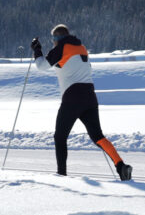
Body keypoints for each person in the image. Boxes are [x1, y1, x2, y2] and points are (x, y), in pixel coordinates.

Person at [30, 24, 132, 181]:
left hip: (72, 97)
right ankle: (121, 166)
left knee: (60, 137)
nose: (53, 43)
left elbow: (42, 66)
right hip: (90, 96)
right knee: (98, 136)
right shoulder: (82, 47)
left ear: (57, 38)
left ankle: (62, 175)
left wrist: (37, 49)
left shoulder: (62, 46)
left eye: (53, 40)